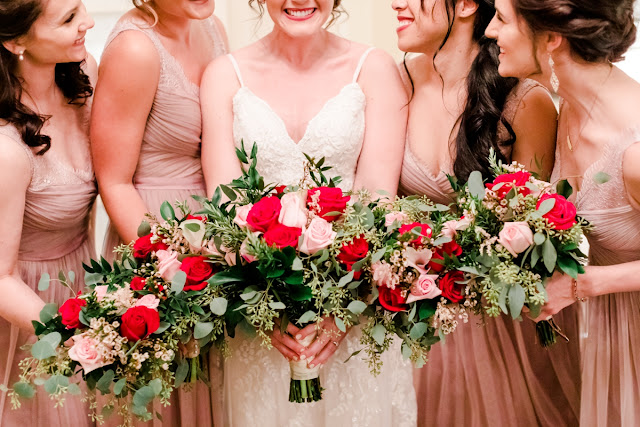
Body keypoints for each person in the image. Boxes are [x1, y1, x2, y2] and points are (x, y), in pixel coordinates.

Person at [200, 0, 416, 425]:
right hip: (262, 328)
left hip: (354, 317)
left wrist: (344, 313)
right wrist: (261, 311)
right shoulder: (224, 75)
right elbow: (224, 207)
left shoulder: (374, 69)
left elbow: (379, 203)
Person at [392, 0, 582, 425]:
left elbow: (532, 231)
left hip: (499, 322)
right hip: (418, 314)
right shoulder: (399, 79)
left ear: (463, 5)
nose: (396, 4)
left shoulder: (525, 100)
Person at [486, 0, 640, 425]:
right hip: (602, 340)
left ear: (552, 39)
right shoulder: (569, 106)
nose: (489, 32)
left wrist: (580, 287)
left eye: (501, 19)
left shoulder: (633, 148)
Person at [90, 0, 228, 425]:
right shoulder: (137, 49)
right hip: (153, 238)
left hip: (213, 237)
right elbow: (113, 181)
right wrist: (172, 269)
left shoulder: (212, 26)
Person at [0, 0, 97, 425]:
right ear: (15, 40)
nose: (88, 23)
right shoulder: (6, 149)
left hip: (86, 279)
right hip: (32, 309)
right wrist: (71, 339)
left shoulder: (84, 72)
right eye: (69, 19)